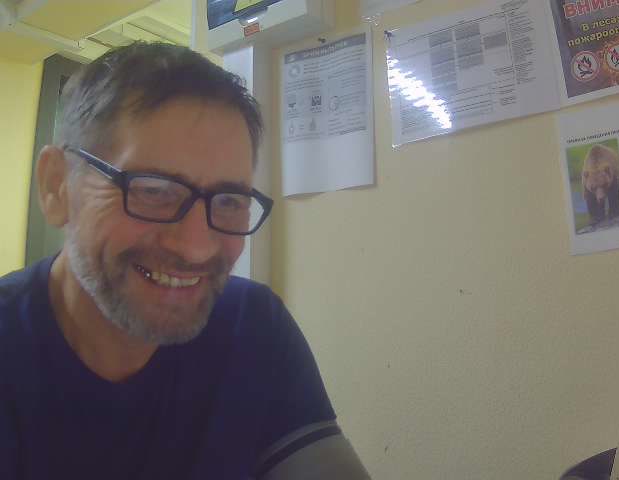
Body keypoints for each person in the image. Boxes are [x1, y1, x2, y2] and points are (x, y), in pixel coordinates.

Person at [0, 42, 369, 480]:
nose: (195, 247)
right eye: (153, 190)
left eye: (229, 201)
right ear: (56, 185)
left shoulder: (252, 326)